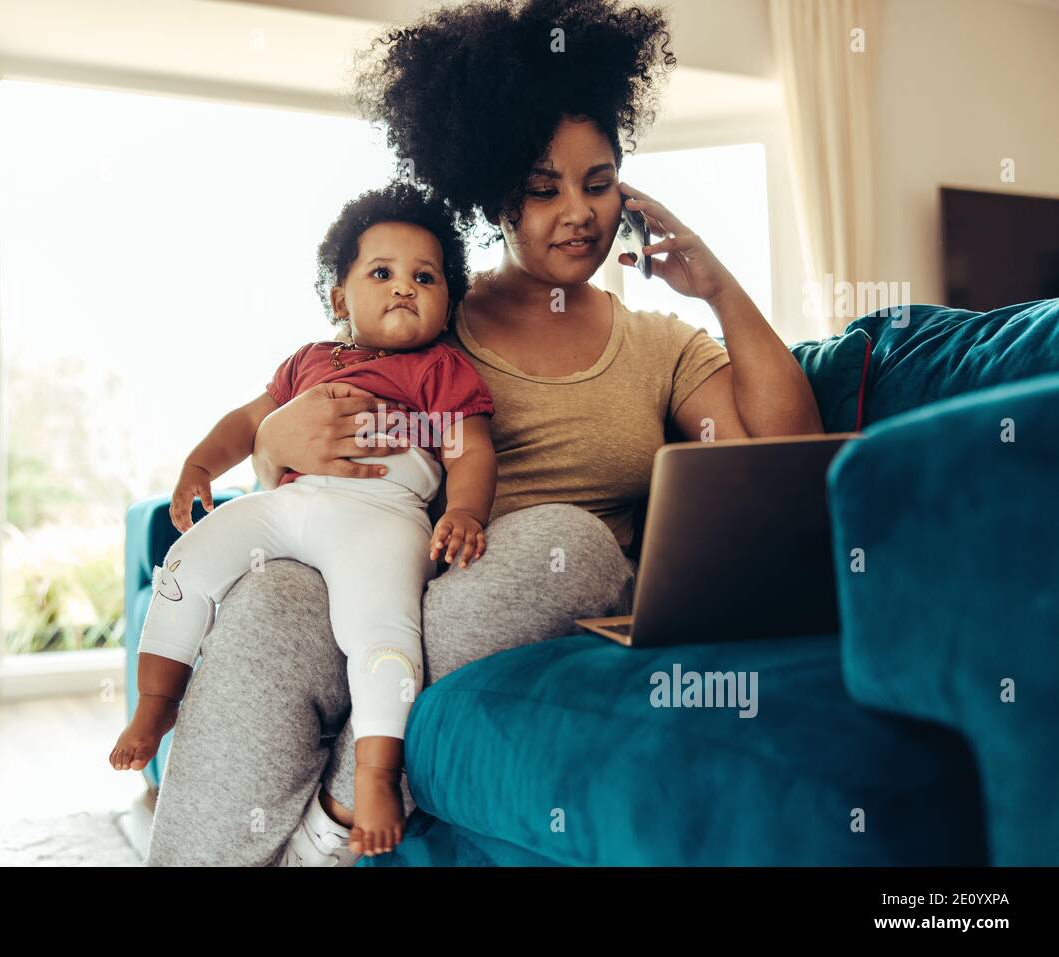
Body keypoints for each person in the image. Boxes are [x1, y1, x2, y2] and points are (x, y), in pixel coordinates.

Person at [145, 0, 822, 867]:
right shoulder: (424, 315)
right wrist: (276, 439)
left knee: (571, 545)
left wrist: (720, 287)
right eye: (543, 190)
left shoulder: (660, 345)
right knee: (269, 599)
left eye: (599, 180)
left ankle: (334, 816)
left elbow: (785, 447)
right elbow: (291, 429)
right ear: (493, 197)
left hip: (512, 594)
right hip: (377, 577)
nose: (577, 211)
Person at [112, 183, 497, 858]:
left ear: (447, 305)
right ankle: (156, 701)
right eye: (381, 272)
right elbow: (247, 423)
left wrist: (464, 509)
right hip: (288, 506)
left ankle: (376, 775)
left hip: (381, 517)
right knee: (187, 560)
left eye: (424, 277)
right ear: (339, 299)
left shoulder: (441, 370)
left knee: (383, 633)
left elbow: (469, 445)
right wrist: (202, 464)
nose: (404, 287)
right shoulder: (309, 362)